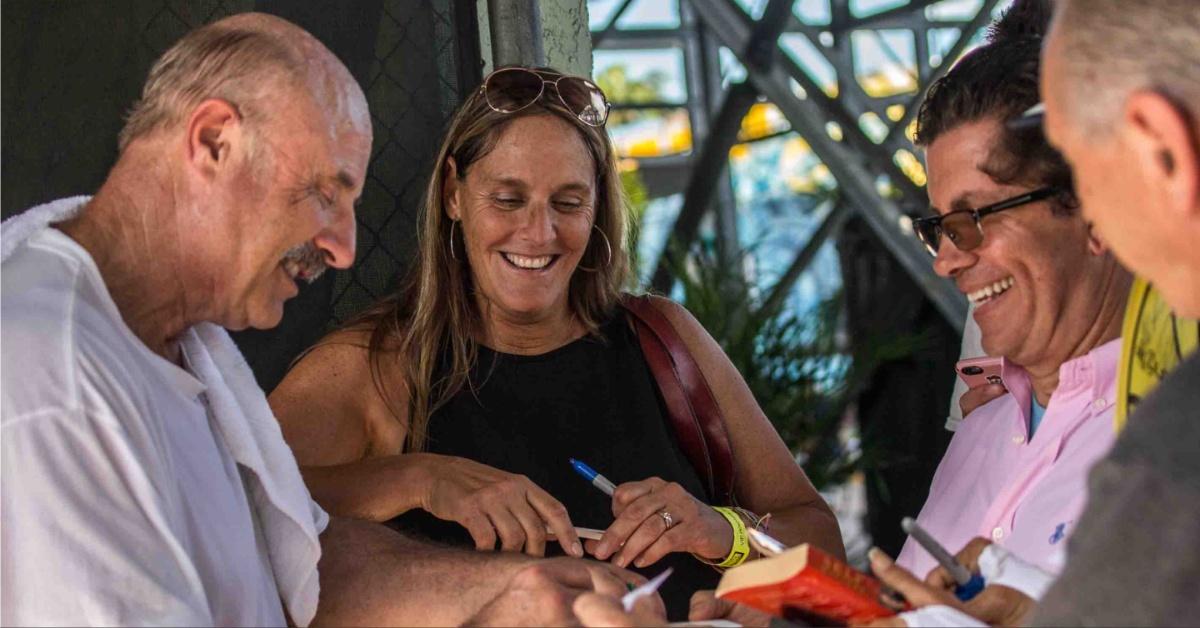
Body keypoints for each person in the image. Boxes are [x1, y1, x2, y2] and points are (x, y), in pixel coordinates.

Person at [0, 14, 640, 626]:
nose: (343, 248)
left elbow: (297, 559)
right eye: (325, 193)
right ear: (213, 142)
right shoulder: (53, 382)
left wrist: (514, 591)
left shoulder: (182, 340)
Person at [269, 65, 845, 620]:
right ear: (452, 193)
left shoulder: (662, 339)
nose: (539, 233)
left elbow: (821, 543)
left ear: (597, 207)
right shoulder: (378, 364)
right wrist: (420, 478)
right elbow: (245, 507)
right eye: (508, 199)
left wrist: (725, 533)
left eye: (568, 203)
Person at [893, 0, 1131, 580]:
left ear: (1095, 211)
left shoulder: (1167, 436)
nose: (946, 262)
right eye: (940, 228)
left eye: (973, 217)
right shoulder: (984, 427)